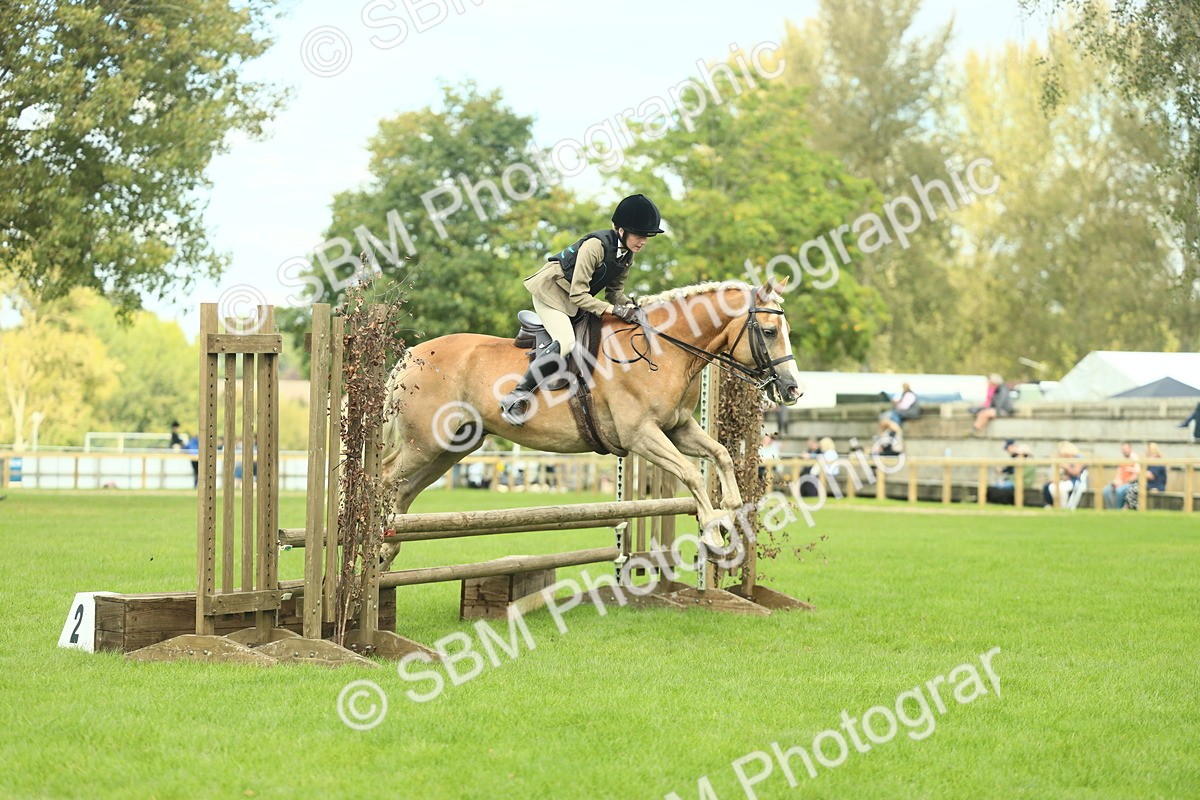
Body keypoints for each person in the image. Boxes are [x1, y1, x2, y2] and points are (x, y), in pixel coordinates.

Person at [500, 194, 664, 425]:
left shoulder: (627, 255)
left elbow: (614, 293)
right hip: (551, 293)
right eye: (639, 234)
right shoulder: (595, 246)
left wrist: (632, 306)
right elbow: (578, 294)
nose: (644, 241)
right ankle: (516, 396)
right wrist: (613, 310)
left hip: (574, 301)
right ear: (621, 230)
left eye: (647, 236)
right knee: (566, 342)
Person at [986, 439, 1032, 505]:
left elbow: (1020, 476)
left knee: (1000, 486)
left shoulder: (1029, 463)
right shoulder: (1018, 461)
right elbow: (1009, 469)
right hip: (1014, 481)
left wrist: (1005, 480)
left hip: (1021, 483)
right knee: (996, 485)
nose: (1016, 456)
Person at [1123, 443, 1167, 509]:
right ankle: (1130, 507)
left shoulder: (1157, 461)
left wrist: (1137, 471)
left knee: (1134, 489)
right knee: (1131, 487)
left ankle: (1133, 508)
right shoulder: (1149, 461)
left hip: (1156, 486)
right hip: (1148, 484)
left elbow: (1151, 475)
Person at [1042, 441, 1086, 507]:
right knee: (1050, 486)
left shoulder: (1078, 458)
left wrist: (1066, 467)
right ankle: (1052, 505)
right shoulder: (1060, 460)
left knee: (1061, 488)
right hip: (1063, 480)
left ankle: (1063, 506)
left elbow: (1076, 473)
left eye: (1066, 455)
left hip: (1075, 481)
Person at [1101, 442, 1139, 510]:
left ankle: (1118, 510)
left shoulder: (1135, 459)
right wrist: (1116, 481)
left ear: (1130, 449)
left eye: (1126, 449)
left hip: (1130, 483)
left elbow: (1135, 476)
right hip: (1121, 482)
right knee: (1106, 491)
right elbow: (1118, 474)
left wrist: (1123, 482)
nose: (1125, 451)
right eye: (1123, 449)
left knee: (1119, 491)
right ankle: (1110, 510)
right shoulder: (1122, 461)